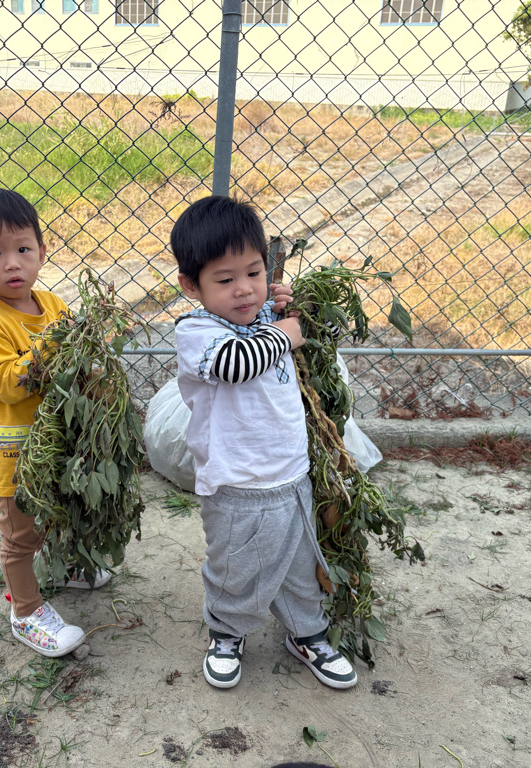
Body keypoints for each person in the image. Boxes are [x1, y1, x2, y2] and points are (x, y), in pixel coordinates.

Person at [171, 195, 357, 690]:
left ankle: (307, 632)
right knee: (238, 566)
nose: (243, 289)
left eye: (254, 273)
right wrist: (286, 332)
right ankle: (227, 633)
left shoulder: (266, 321)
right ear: (192, 286)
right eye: (225, 280)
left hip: (291, 474)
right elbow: (238, 364)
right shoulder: (197, 333)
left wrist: (292, 312)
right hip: (237, 484)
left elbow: (315, 334)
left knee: (300, 564)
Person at [0, 188, 109, 658]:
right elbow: (8, 384)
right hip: (16, 455)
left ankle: (66, 567)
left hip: (58, 443)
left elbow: (75, 358)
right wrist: (53, 344)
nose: (12, 263)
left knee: (60, 509)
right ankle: (25, 611)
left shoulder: (53, 305)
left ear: (42, 252)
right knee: (21, 534)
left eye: (23, 249)